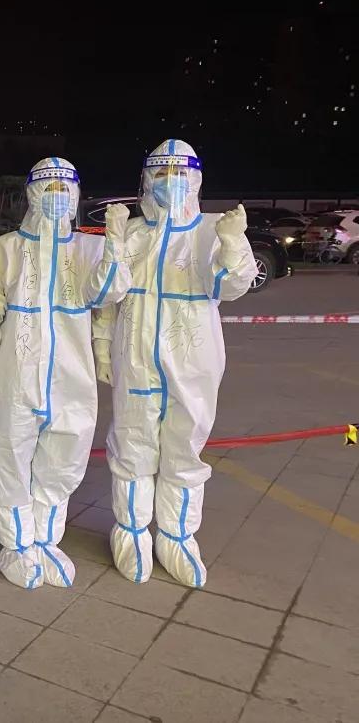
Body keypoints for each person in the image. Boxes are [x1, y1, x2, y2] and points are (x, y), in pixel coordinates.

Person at [93, 140, 254, 588]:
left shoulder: (212, 229)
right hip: (135, 356)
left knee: (184, 449)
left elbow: (229, 286)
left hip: (192, 360)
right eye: (160, 174)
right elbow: (107, 298)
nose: (170, 183)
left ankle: (178, 537)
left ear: (195, 179)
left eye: (179, 174)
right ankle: (131, 533)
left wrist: (232, 243)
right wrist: (103, 348)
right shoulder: (134, 233)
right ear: (147, 181)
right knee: (132, 445)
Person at [0, 157, 131, 589]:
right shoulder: (7, 249)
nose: (57, 197)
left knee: (64, 454)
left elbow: (107, 296)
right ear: (33, 195)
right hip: (15, 373)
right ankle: (16, 544)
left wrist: (115, 243)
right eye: (49, 189)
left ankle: (45, 540)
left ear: (76, 196)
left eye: (65, 190)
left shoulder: (88, 249)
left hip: (71, 375)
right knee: (11, 454)